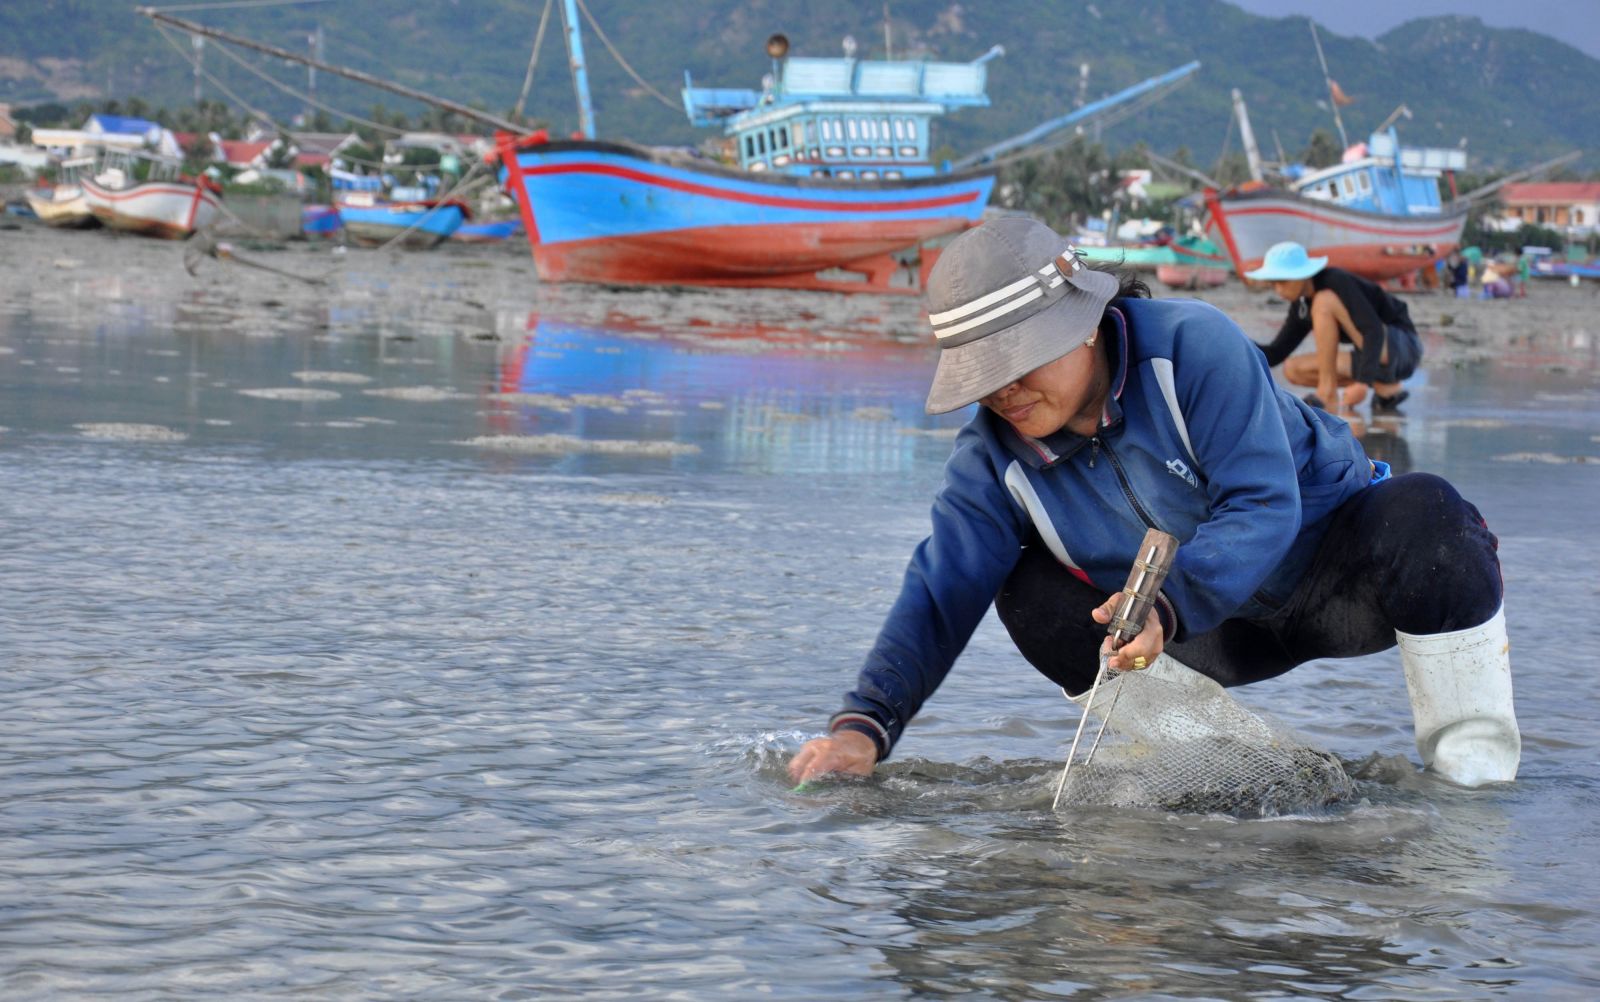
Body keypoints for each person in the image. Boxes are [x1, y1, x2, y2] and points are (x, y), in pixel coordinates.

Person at [787, 218, 1518, 790]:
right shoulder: (993, 461)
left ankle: (1470, 788)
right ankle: (1221, 777)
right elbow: (940, 592)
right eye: (985, 374)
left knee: (1432, 518)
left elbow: (1264, 505)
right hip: (1199, 641)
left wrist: (1170, 603)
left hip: (1333, 580)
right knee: (1025, 593)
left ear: (1082, 323)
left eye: (1020, 361)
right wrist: (865, 727)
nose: (1004, 391)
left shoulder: (1192, 349)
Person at [1248, 242, 1423, 414]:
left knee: (1324, 301)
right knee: (1293, 369)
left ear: (1302, 275)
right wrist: (1238, 342)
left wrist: (1362, 384)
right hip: (1374, 355)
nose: (1278, 290)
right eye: (1273, 283)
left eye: (1283, 282)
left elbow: (1373, 331)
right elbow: (1276, 352)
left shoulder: (1334, 281)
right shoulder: (1301, 304)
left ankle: (1327, 394)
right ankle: (1387, 389)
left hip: (1402, 346)